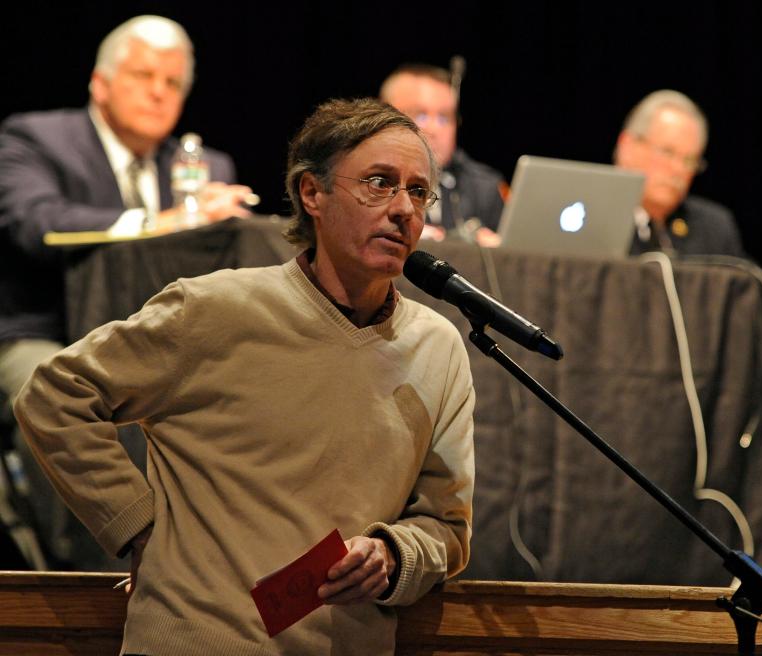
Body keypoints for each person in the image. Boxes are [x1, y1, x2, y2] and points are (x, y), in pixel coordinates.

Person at [14, 97, 475, 655]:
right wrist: (139, 527)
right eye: (379, 183)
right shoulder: (214, 309)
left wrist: (396, 554)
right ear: (313, 194)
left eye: (418, 191)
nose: (404, 208)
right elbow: (54, 395)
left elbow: (445, 526)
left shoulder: (439, 346)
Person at [0, 15, 255, 570]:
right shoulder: (35, 138)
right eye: (143, 75)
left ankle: (227, 568)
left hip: (159, 345)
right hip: (46, 333)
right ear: (100, 82)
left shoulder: (204, 166)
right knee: (53, 390)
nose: (159, 93)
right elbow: (35, 222)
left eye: (173, 83)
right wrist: (163, 221)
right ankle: (100, 571)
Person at [380, 63, 504, 247]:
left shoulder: (484, 187)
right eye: (421, 116)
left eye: (444, 118)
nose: (433, 129)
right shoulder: (366, 179)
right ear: (383, 117)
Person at [614, 90, 744, 257]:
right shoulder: (588, 217)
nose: (678, 169)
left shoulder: (713, 229)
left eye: (689, 160)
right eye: (667, 152)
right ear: (628, 146)